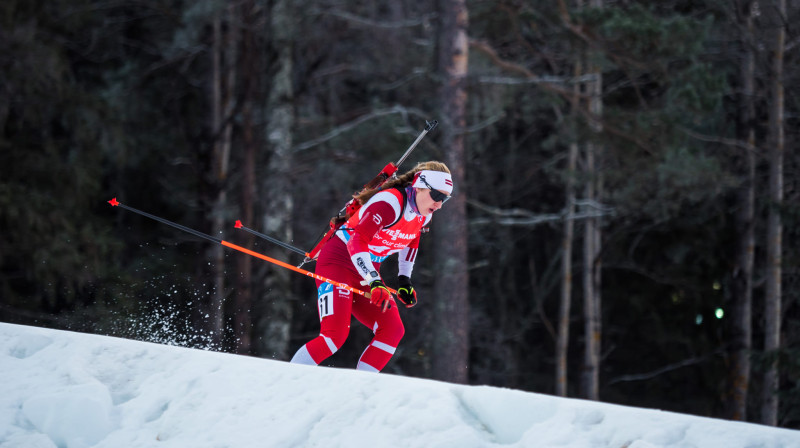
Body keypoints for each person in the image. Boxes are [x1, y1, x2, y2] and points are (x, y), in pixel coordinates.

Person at [290, 161, 453, 372]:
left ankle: (360, 389)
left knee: (392, 330)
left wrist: (404, 279)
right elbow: (355, 242)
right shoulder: (389, 203)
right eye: (437, 196)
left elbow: (412, 240)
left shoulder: (425, 213)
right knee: (334, 337)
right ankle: (288, 381)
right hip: (338, 262)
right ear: (419, 186)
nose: (439, 204)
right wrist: (375, 281)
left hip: (365, 270)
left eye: (445, 199)